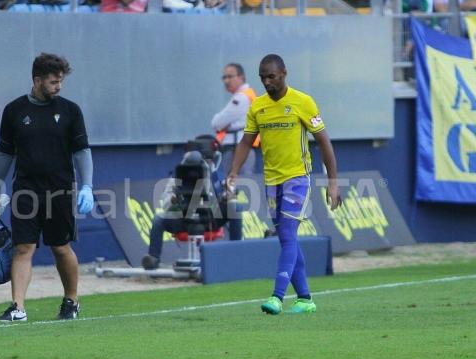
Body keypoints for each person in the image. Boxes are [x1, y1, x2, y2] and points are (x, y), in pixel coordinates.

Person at [227, 54, 341, 315]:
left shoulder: (303, 102)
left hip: (297, 178)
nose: (267, 82)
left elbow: (324, 142)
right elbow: (246, 142)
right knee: (286, 238)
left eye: (272, 77)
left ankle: (277, 296)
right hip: (272, 181)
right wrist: (233, 172)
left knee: (288, 234)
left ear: (284, 74)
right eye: (263, 78)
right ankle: (305, 299)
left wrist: (332, 182)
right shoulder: (258, 107)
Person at [0, 53, 94, 322]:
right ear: (37, 80)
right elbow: (4, 153)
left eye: (60, 81)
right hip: (25, 190)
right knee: (23, 248)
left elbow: (82, 151)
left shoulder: (70, 111)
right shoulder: (14, 111)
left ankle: (71, 300)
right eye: (53, 82)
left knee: (61, 247)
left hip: (60, 190)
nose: (58, 86)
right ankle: (18, 307)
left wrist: (87, 186)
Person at [141, 137, 242, 270]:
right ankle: (153, 258)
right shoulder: (178, 176)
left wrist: (227, 197)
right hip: (184, 218)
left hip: (210, 218)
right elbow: (165, 204)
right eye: (206, 161)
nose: (208, 163)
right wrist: (173, 199)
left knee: (234, 208)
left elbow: (226, 194)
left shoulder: (215, 176)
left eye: (208, 161)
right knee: (158, 219)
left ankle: (237, 254)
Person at [211, 63, 258, 177]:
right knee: (240, 186)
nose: (226, 81)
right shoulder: (244, 95)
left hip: (237, 149)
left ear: (241, 77)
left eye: (230, 76)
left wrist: (224, 124)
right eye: (224, 77)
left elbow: (217, 123)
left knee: (239, 185)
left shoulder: (241, 98)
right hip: (237, 147)